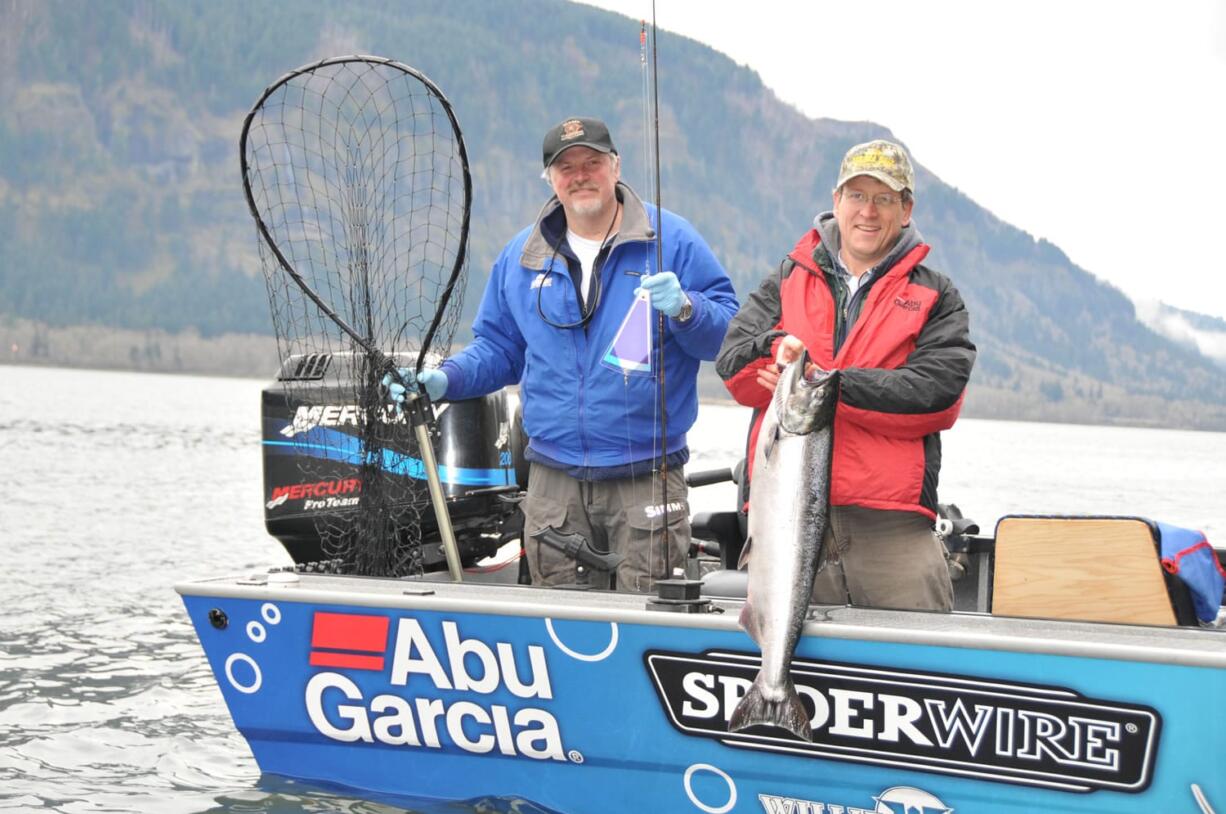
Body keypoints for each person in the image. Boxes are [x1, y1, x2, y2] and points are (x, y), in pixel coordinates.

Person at [391, 116, 738, 592]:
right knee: (560, 630)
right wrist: (444, 379)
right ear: (551, 179)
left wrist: (686, 309)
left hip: (647, 476)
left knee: (653, 617)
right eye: (566, 167)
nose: (580, 176)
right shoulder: (521, 256)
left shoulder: (673, 241)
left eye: (592, 163)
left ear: (615, 166)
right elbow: (499, 350)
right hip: (553, 481)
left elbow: (729, 339)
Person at [715, 139, 975, 611]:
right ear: (836, 201)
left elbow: (937, 395)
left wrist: (827, 384)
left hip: (892, 524)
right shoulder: (788, 277)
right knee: (777, 654)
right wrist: (775, 355)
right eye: (856, 196)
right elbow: (734, 364)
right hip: (783, 512)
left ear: (906, 209)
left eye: (884, 198)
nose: (867, 212)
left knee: (919, 665)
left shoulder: (936, 295)